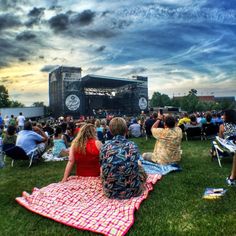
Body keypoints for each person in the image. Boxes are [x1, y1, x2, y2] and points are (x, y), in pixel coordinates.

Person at [100, 117, 147, 199]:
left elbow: (102, 166)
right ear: (126, 129)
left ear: (110, 131)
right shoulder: (133, 145)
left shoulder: (104, 147)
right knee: (139, 164)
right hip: (133, 191)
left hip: (110, 192)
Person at [218, 109, 236, 186]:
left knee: (215, 142)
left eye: (224, 115)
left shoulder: (222, 126)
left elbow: (220, 138)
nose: (223, 116)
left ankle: (232, 178)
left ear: (227, 116)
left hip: (229, 145)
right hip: (234, 143)